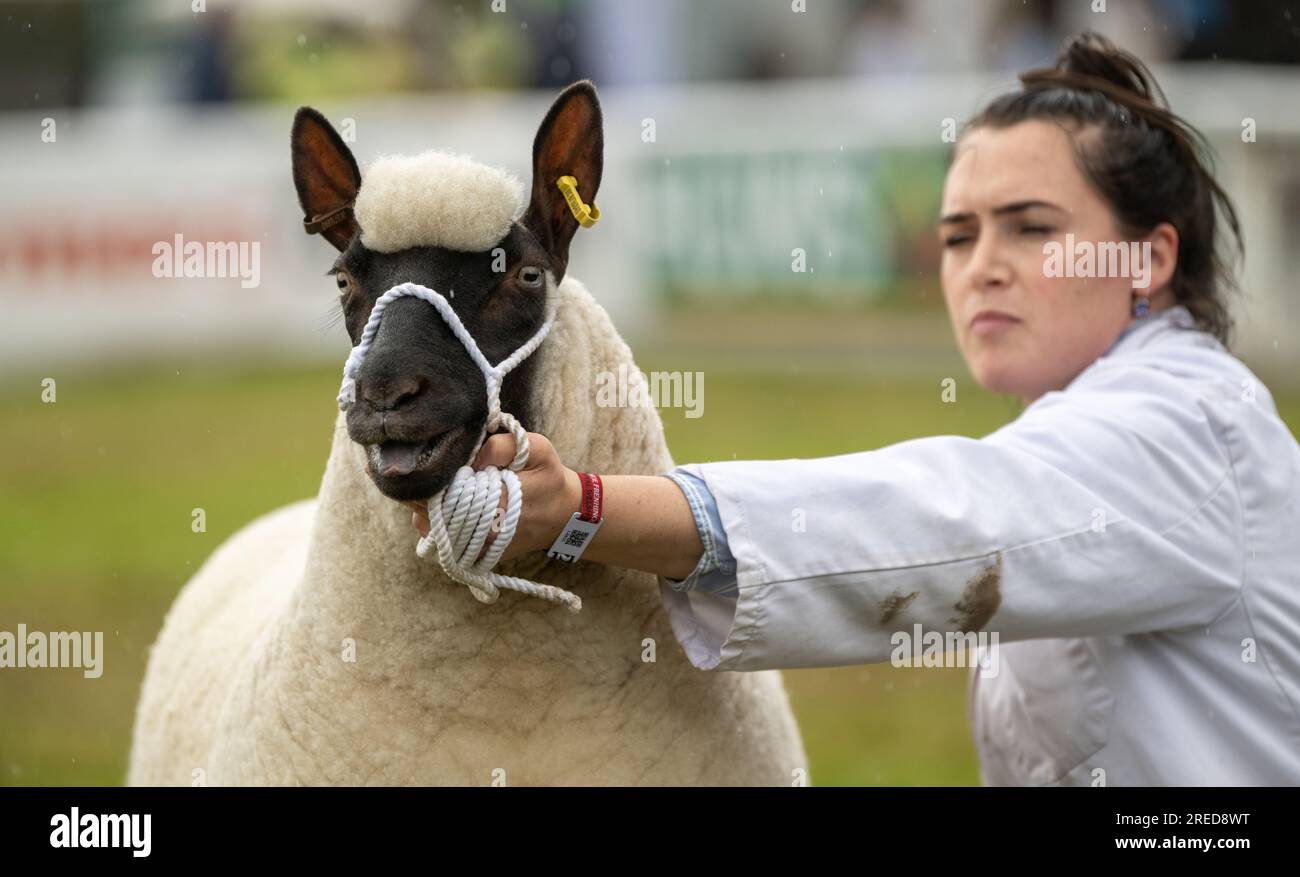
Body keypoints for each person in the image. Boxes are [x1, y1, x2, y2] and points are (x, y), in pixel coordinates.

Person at [412, 33, 1300, 786]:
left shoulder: (1191, 425)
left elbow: (935, 521)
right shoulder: (1108, 423)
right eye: (957, 235)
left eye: (1032, 227)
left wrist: (582, 509)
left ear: (1147, 261)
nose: (981, 264)